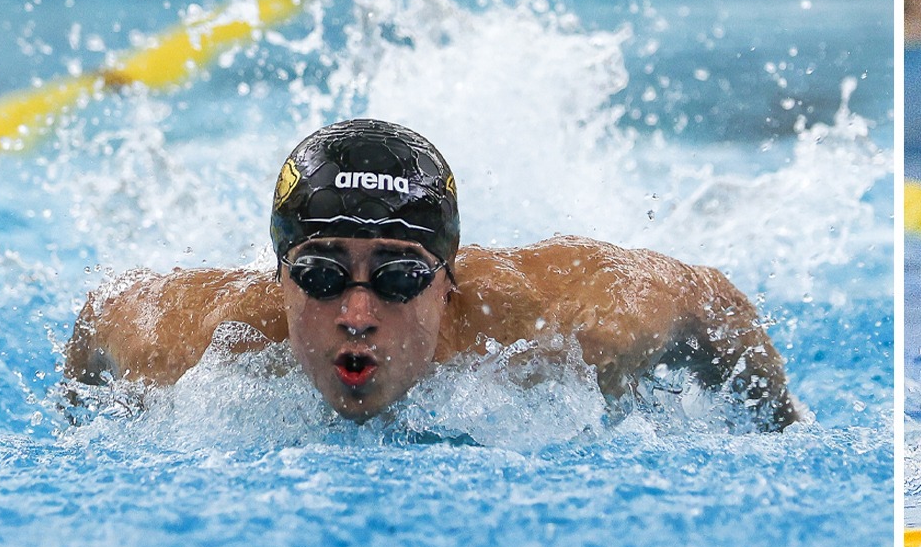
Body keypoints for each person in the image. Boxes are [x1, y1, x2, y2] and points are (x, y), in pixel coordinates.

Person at [64, 119, 802, 431]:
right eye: (321, 276)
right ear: (280, 275)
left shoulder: (570, 328)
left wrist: (780, 428)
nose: (357, 311)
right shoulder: (194, 343)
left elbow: (711, 299)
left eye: (397, 278)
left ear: (447, 279)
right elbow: (103, 312)